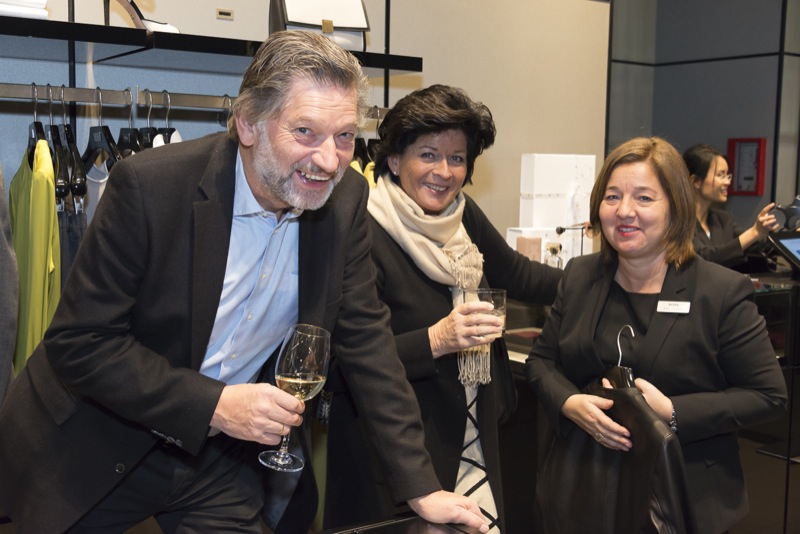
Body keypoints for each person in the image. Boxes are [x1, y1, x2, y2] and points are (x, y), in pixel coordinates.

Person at [0, 31, 490, 534]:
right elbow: (81, 342)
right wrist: (213, 404)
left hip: (218, 461)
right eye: (306, 132)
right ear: (249, 123)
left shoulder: (345, 201)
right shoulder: (149, 187)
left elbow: (368, 344)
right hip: (92, 445)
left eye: (345, 136)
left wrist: (421, 487)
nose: (329, 160)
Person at [324, 85, 563, 533]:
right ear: (395, 159)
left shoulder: (462, 217)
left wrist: (609, 274)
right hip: (393, 459)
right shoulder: (362, 231)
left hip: (475, 443)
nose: (444, 172)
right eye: (428, 155)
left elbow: (521, 276)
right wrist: (436, 340)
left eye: (457, 158)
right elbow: (339, 367)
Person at [526, 136, 787, 533]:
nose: (624, 211)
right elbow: (542, 361)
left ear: (676, 207)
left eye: (644, 198)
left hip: (683, 497)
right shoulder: (580, 276)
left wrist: (673, 412)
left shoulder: (720, 292)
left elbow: (768, 396)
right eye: (612, 197)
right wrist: (568, 402)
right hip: (587, 491)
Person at [682, 143, 780, 270]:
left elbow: (752, 245)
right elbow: (705, 257)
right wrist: (754, 232)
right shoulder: (679, 222)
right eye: (720, 175)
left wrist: (786, 235)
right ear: (695, 181)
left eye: (728, 176)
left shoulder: (723, 219)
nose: (727, 182)